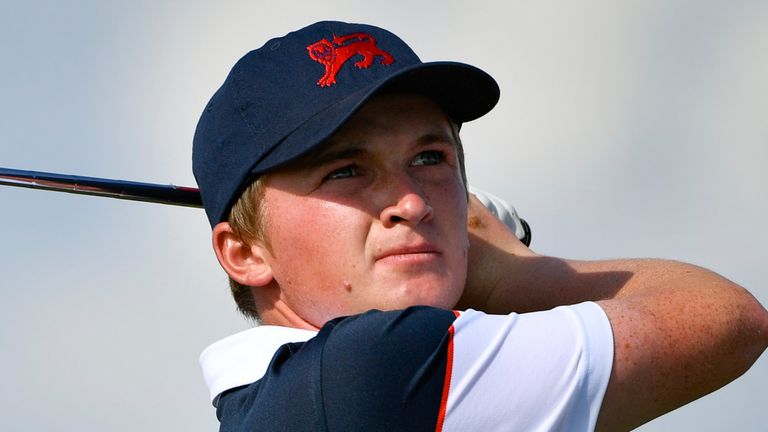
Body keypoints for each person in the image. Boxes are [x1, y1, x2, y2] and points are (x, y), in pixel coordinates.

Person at [193, 21, 768, 431]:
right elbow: (728, 318)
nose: (413, 204)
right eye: (346, 170)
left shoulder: (277, 400)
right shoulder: (376, 369)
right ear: (244, 252)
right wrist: (507, 269)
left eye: (429, 158)